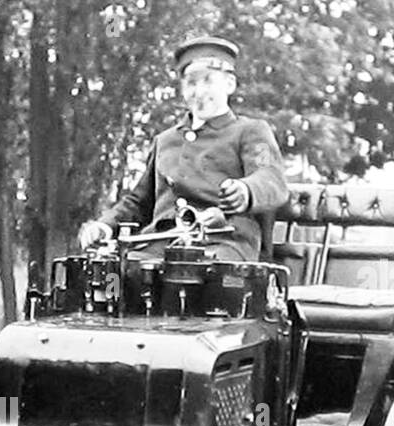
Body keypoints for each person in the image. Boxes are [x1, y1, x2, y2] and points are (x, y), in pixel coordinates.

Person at [79, 36, 288, 261]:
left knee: (201, 272)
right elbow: (138, 202)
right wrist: (105, 226)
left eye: (208, 81)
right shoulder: (165, 141)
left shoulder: (251, 131)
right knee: (119, 272)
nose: (199, 91)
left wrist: (245, 191)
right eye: (191, 83)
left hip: (224, 242)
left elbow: (270, 177)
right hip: (160, 243)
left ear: (229, 84)